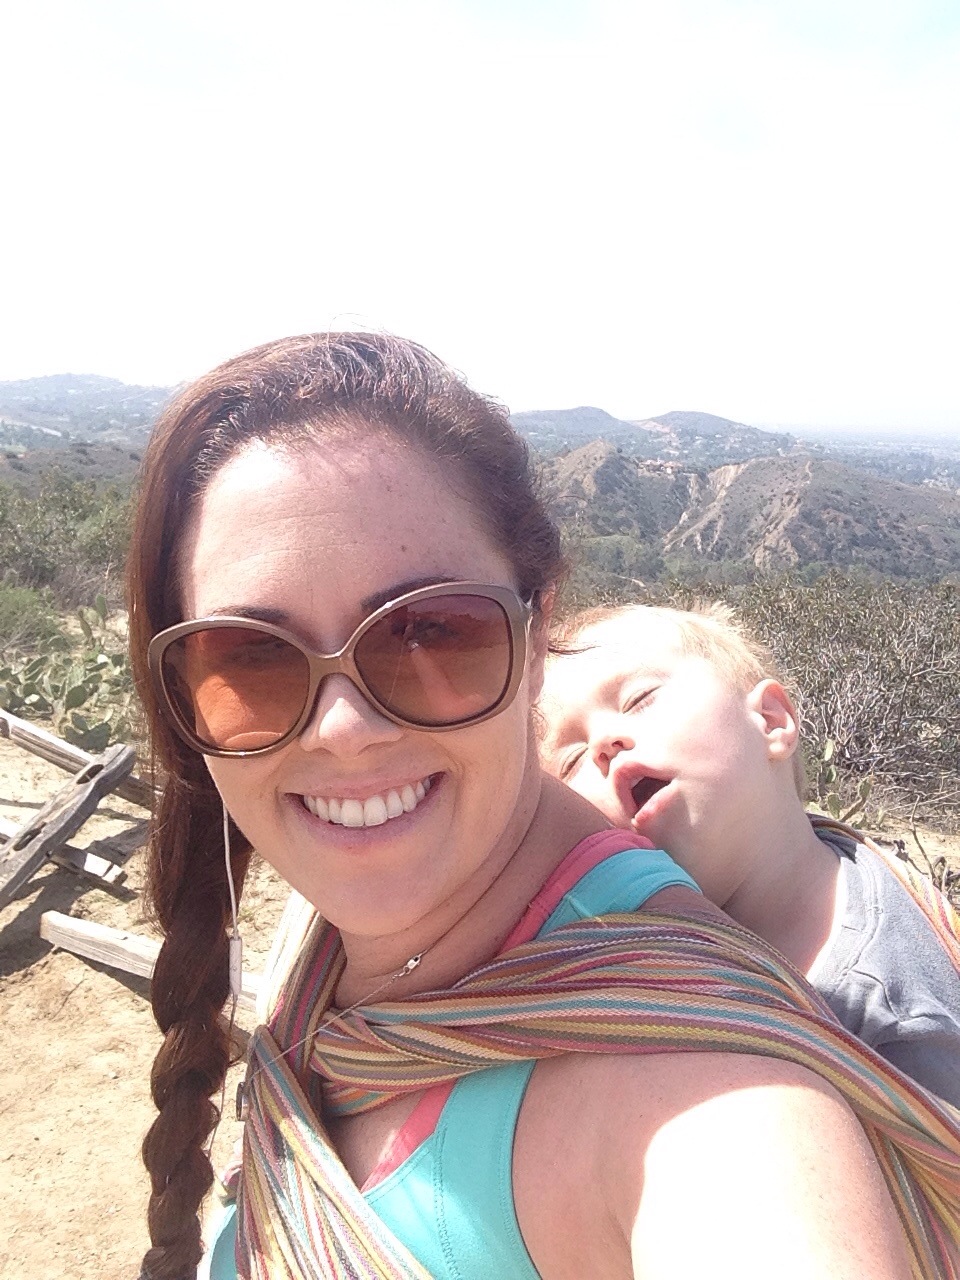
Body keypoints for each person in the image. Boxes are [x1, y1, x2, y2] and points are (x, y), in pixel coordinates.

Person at [126, 333, 958, 1280]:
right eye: (251, 658)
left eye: (429, 632)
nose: (342, 729)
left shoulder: (715, 1113)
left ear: (537, 634)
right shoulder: (345, 930)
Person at [539, 600, 960, 1107]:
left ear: (770, 720)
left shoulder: (895, 1022)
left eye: (640, 699)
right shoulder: (610, 966)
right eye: (571, 759)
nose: (603, 743)